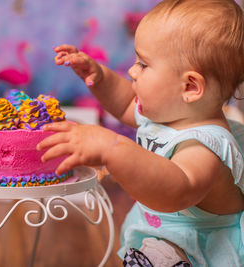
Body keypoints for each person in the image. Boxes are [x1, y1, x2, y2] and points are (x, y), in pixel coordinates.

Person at [36, 0, 244, 266]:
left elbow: (177, 190)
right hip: (162, 241)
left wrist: (113, 148)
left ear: (190, 87)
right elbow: (124, 104)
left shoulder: (205, 145)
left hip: (197, 254)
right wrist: (99, 76)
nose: (132, 71)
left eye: (143, 64)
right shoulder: (171, 112)